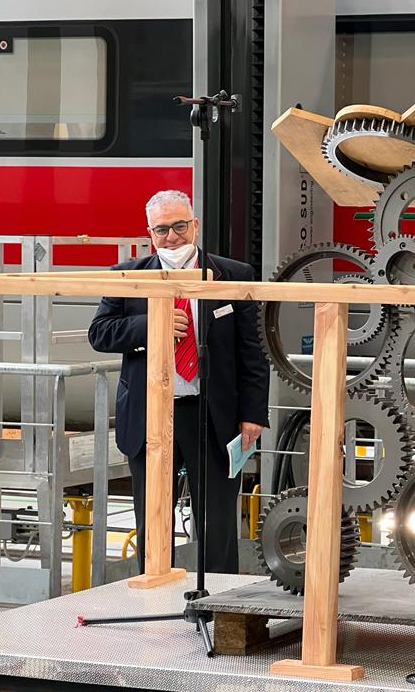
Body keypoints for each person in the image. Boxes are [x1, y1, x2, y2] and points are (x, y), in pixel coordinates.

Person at [88, 190, 270, 574]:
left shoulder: (233, 274)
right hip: (150, 414)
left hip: (212, 414)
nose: (171, 237)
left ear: (195, 225)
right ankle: (154, 595)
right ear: (149, 233)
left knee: (218, 522)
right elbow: (100, 333)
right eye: (161, 230)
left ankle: (218, 598)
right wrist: (150, 324)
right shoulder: (128, 275)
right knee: (152, 518)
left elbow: (252, 351)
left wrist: (253, 413)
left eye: (179, 226)